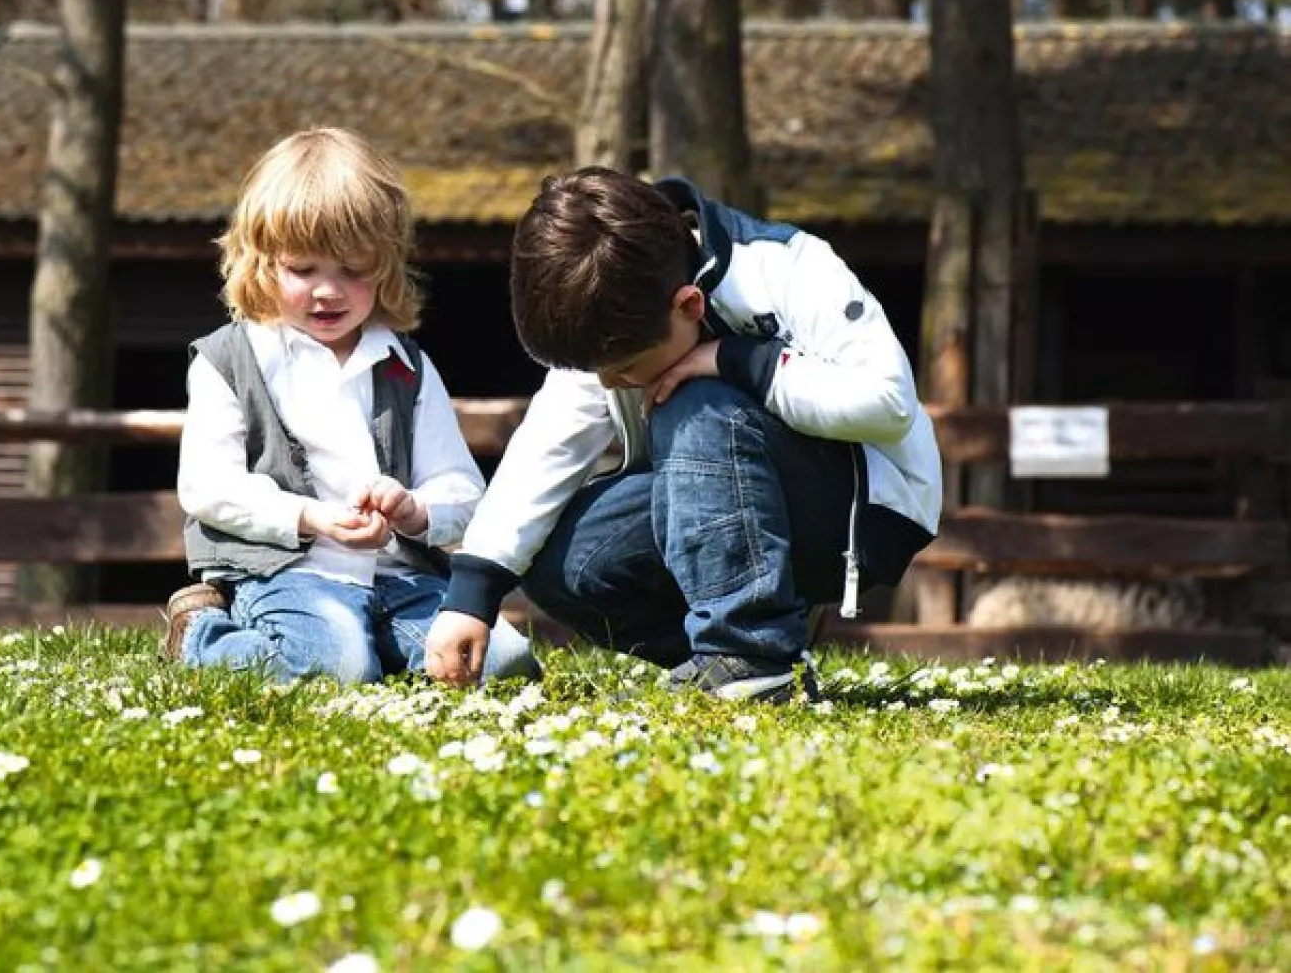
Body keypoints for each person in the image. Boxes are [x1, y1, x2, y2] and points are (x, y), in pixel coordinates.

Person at [422, 168, 941, 702]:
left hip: (861, 514)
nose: (609, 384)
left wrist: (731, 358)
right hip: (713, 505)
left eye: (622, 369)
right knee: (564, 562)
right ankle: (764, 645)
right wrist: (473, 589)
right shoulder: (616, 306)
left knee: (691, 402)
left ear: (689, 305)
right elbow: (547, 448)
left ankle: (748, 655)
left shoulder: (788, 264)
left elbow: (887, 403)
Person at [160, 126, 537, 685]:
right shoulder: (230, 360)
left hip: (400, 578)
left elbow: (461, 490)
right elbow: (208, 487)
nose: (328, 291)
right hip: (288, 572)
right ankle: (201, 636)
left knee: (501, 662)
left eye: (352, 270)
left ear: (384, 266)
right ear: (262, 263)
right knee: (337, 667)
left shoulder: (406, 366)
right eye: (303, 269)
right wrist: (310, 517)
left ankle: (376, 648)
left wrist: (413, 509)